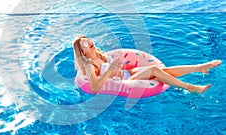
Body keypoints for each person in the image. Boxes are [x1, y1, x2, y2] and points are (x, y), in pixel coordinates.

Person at [73, 35, 221, 94]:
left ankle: (201, 67)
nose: (89, 42)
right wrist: (110, 70)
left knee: (164, 70)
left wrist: (117, 67)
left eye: (88, 39)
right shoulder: (89, 65)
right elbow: (94, 86)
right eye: (85, 44)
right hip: (125, 81)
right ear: (82, 52)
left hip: (128, 73)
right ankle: (191, 88)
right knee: (154, 70)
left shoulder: (101, 55)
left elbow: (116, 68)